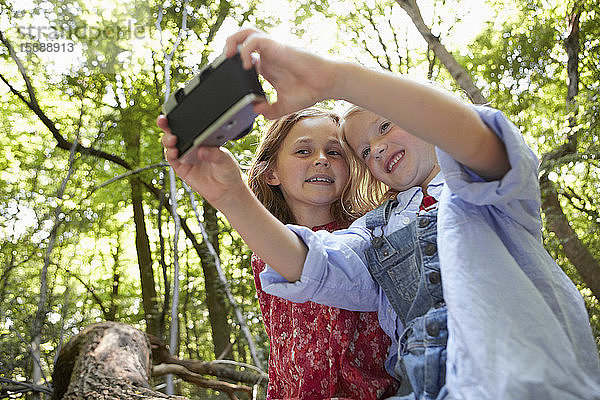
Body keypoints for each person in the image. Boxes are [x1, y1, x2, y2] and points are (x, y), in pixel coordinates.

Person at [160, 27, 600, 399]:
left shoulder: (488, 191)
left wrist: (333, 79)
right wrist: (231, 195)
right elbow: (317, 264)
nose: (379, 147)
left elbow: (473, 136)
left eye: (386, 124)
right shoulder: (374, 230)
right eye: (365, 150)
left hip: (518, 377)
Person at [246, 107, 398, 399]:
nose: (321, 160)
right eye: (303, 151)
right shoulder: (264, 252)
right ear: (271, 172)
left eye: (335, 152)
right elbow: (282, 348)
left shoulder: (375, 235)